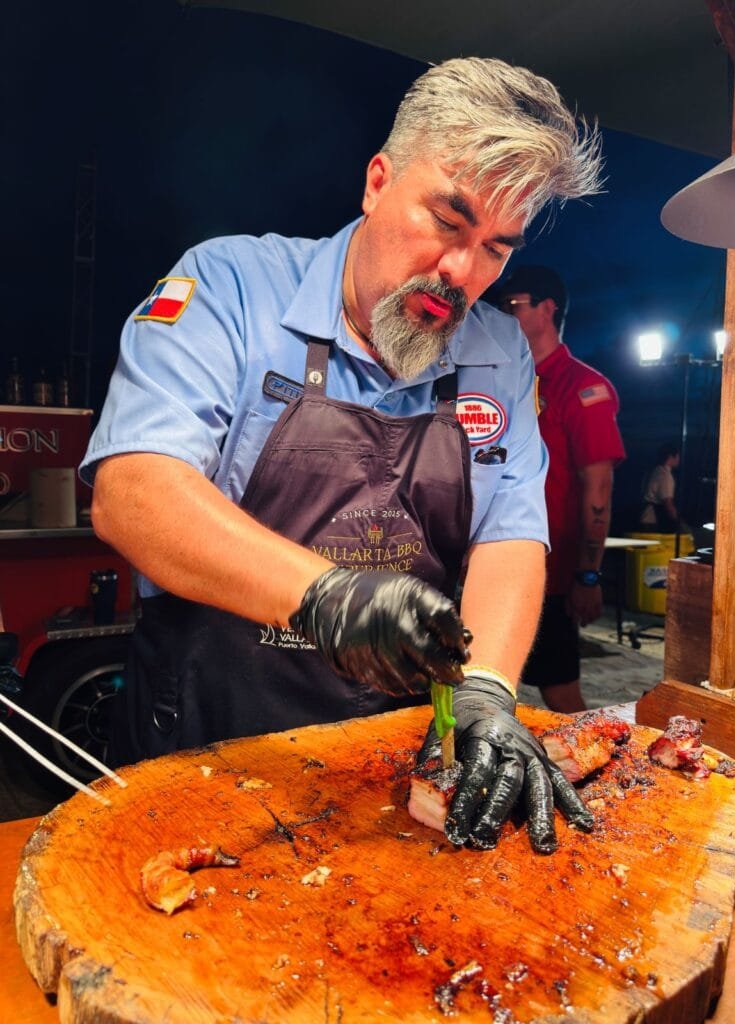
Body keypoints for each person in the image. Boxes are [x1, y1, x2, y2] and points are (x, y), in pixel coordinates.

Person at [81, 58, 603, 853]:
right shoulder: (228, 287)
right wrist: (327, 599)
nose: (464, 273)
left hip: (387, 776)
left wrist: (490, 694)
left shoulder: (499, 350)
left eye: (497, 247)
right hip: (201, 751)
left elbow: (510, 532)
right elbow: (134, 490)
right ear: (377, 181)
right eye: (448, 220)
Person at [492, 266, 625, 713]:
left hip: (548, 574)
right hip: (492, 562)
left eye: (514, 305)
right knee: (485, 685)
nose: (504, 314)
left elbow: (598, 486)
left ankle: (598, 777)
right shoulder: (505, 380)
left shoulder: (582, 388)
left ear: (548, 309)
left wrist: (588, 575)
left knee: (561, 692)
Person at [639, 442, 683, 532]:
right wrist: (677, 521)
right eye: (678, 456)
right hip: (652, 520)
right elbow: (667, 502)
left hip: (645, 516)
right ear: (671, 456)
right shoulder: (664, 475)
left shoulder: (654, 471)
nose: (679, 459)